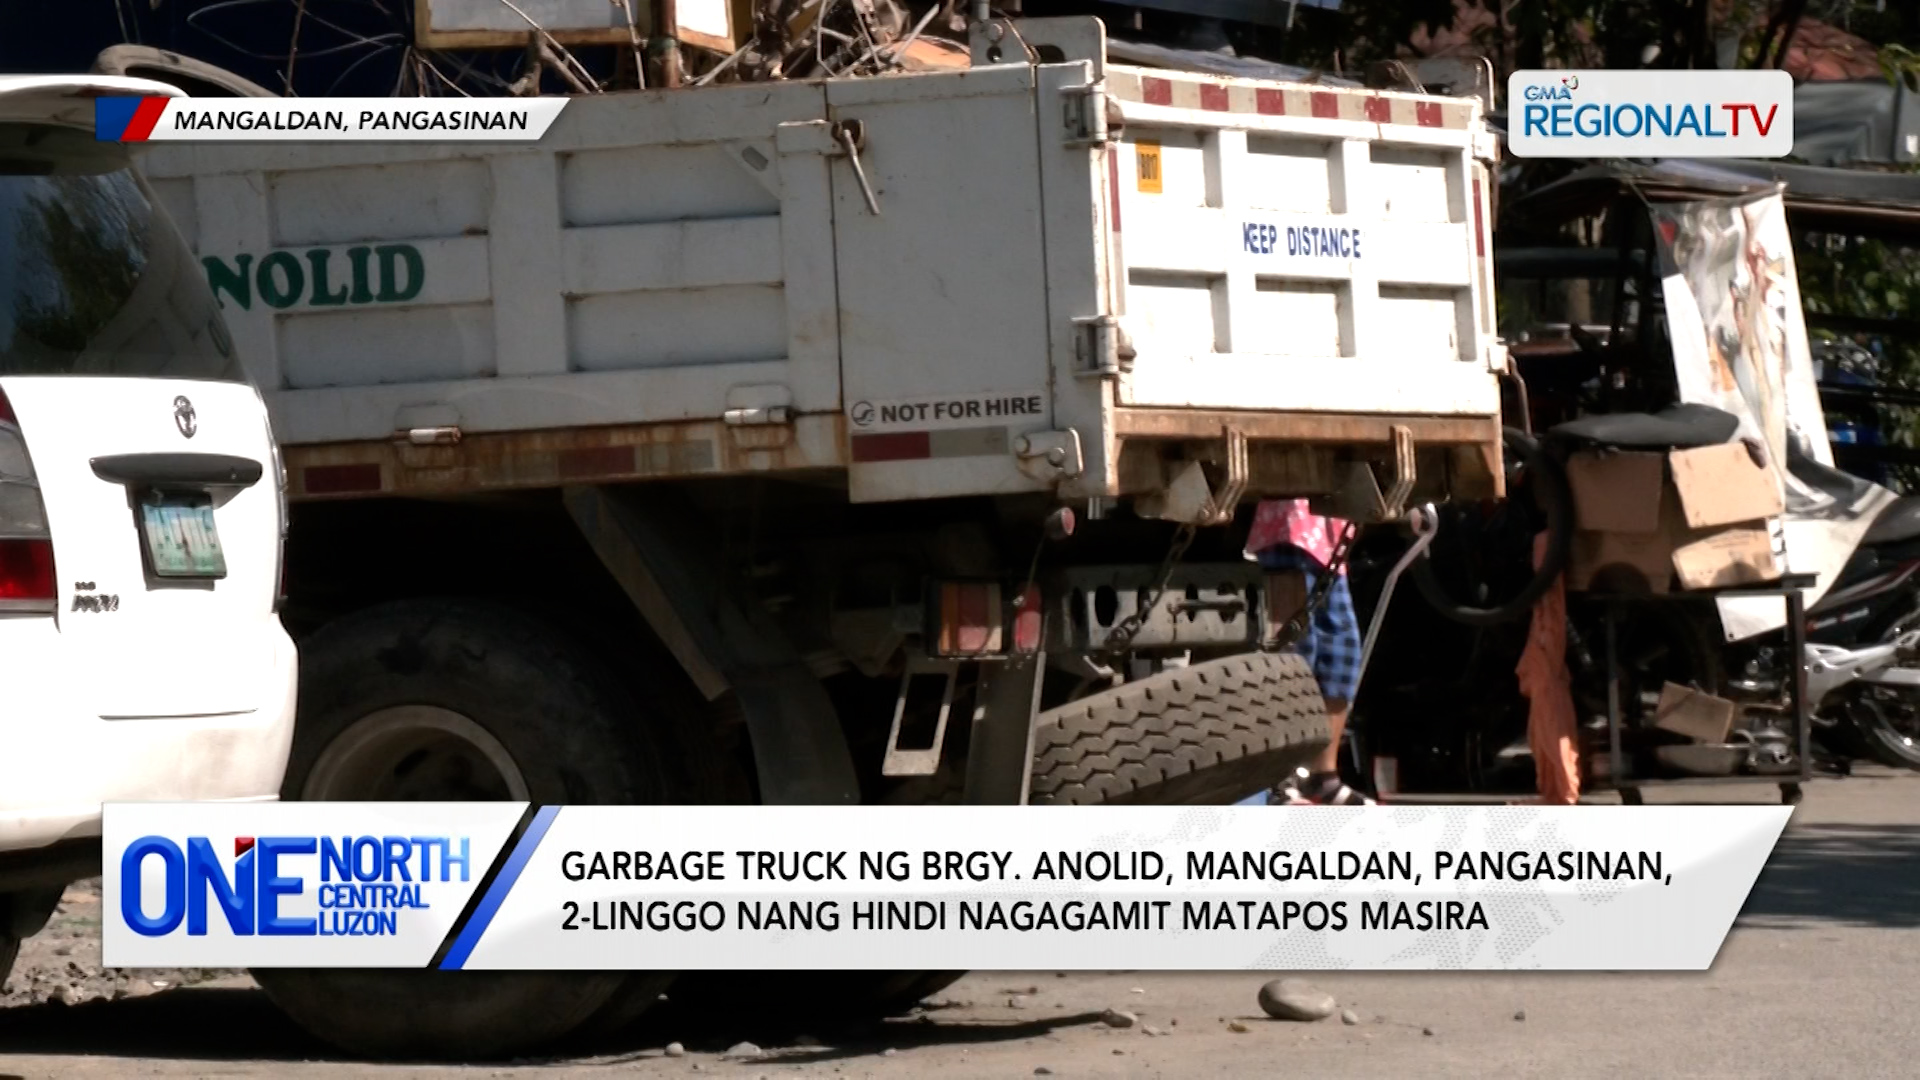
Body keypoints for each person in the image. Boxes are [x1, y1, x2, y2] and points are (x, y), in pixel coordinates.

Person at [1245, 498, 1374, 805]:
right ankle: (1282, 776)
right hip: (1287, 527)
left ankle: (1323, 776)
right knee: (1296, 653)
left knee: (1341, 652)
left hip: (1328, 537)